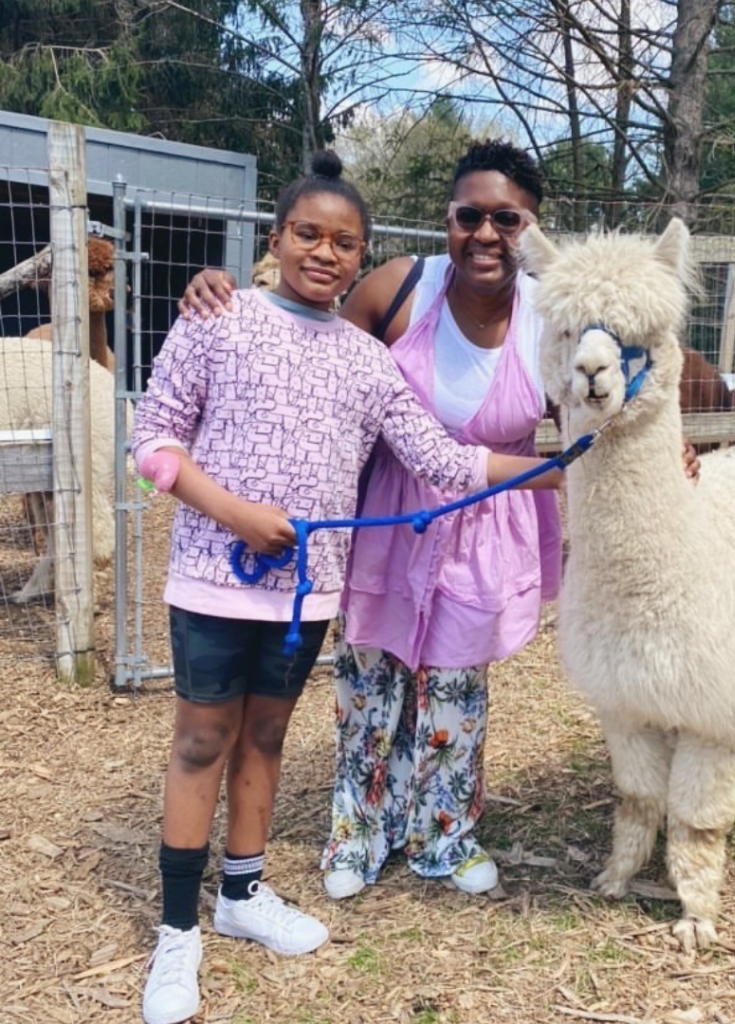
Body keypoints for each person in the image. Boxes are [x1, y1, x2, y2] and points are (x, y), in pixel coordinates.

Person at [179, 140, 699, 905]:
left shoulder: (548, 319)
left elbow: (622, 383)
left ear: (529, 226)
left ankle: (445, 835)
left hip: (492, 519)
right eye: (469, 216)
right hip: (390, 512)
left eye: (506, 218)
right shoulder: (399, 290)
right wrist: (223, 291)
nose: (486, 233)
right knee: (369, 683)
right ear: (448, 221)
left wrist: (668, 445)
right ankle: (359, 833)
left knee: (456, 689)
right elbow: (306, 330)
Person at [135, 149, 561, 1024]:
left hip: (311, 586)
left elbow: (444, 458)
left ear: (364, 257)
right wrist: (236, 512)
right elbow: (154, 442)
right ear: (276, 238)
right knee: (200, 742)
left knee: (264, 738)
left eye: (344, 243)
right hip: (218, 577)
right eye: (307, 235)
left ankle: (242, 895)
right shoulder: (220, 320)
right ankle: (179, 931)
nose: (324, 254)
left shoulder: (368, 361)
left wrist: (573, 472)